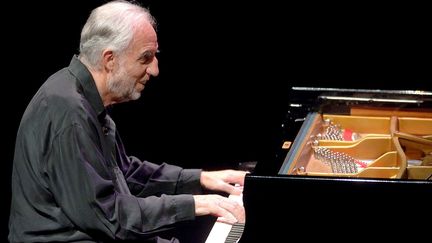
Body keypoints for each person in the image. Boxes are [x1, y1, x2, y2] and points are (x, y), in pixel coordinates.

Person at [8, 1, 246, 242]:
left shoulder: (87, 99)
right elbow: (108, 216)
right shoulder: (69, 112)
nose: (155, 70)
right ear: (110, 59)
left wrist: (200, 179)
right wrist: (194, 204)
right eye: (146, 58)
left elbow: (124, 173)